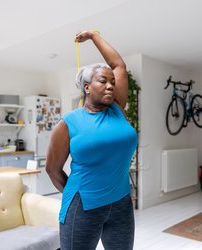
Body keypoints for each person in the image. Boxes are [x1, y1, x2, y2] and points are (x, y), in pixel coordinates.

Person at [46, 30, 138, 250]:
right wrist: (81, 194)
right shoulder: (68, 123)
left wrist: (93, 36)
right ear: (87, 87)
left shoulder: (117, 110)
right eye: (102, 81)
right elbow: (52, 169)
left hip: (122, 203)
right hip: (83, 206)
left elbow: (119, 65)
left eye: (112, 82)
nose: (110, 86)